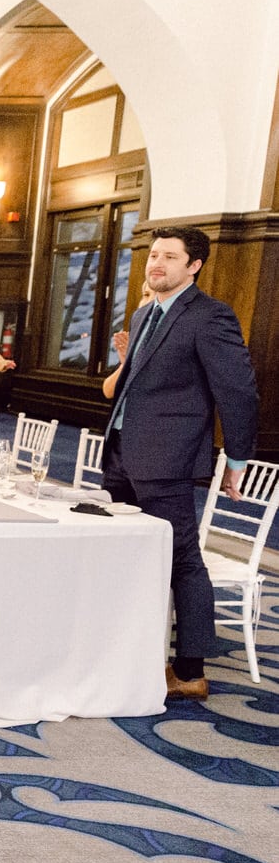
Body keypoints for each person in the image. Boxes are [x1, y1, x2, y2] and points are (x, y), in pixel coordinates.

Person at [101, 226, 258, 701]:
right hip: (123, 453)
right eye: (153, 255)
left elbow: (238, 391)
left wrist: (236, 456)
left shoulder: (211, 316)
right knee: (129, 554)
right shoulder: (145, 311)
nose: (156, 263)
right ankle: (131, 650)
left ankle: (190, 671)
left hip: (167, 458)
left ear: (194, 266)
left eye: (170, 256)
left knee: (181, 561)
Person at [103, 283, 154, 399]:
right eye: (146, 295)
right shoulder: (137, 338)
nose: (148, 302)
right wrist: (127, 363)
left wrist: (134, 362)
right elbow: (108, 391)